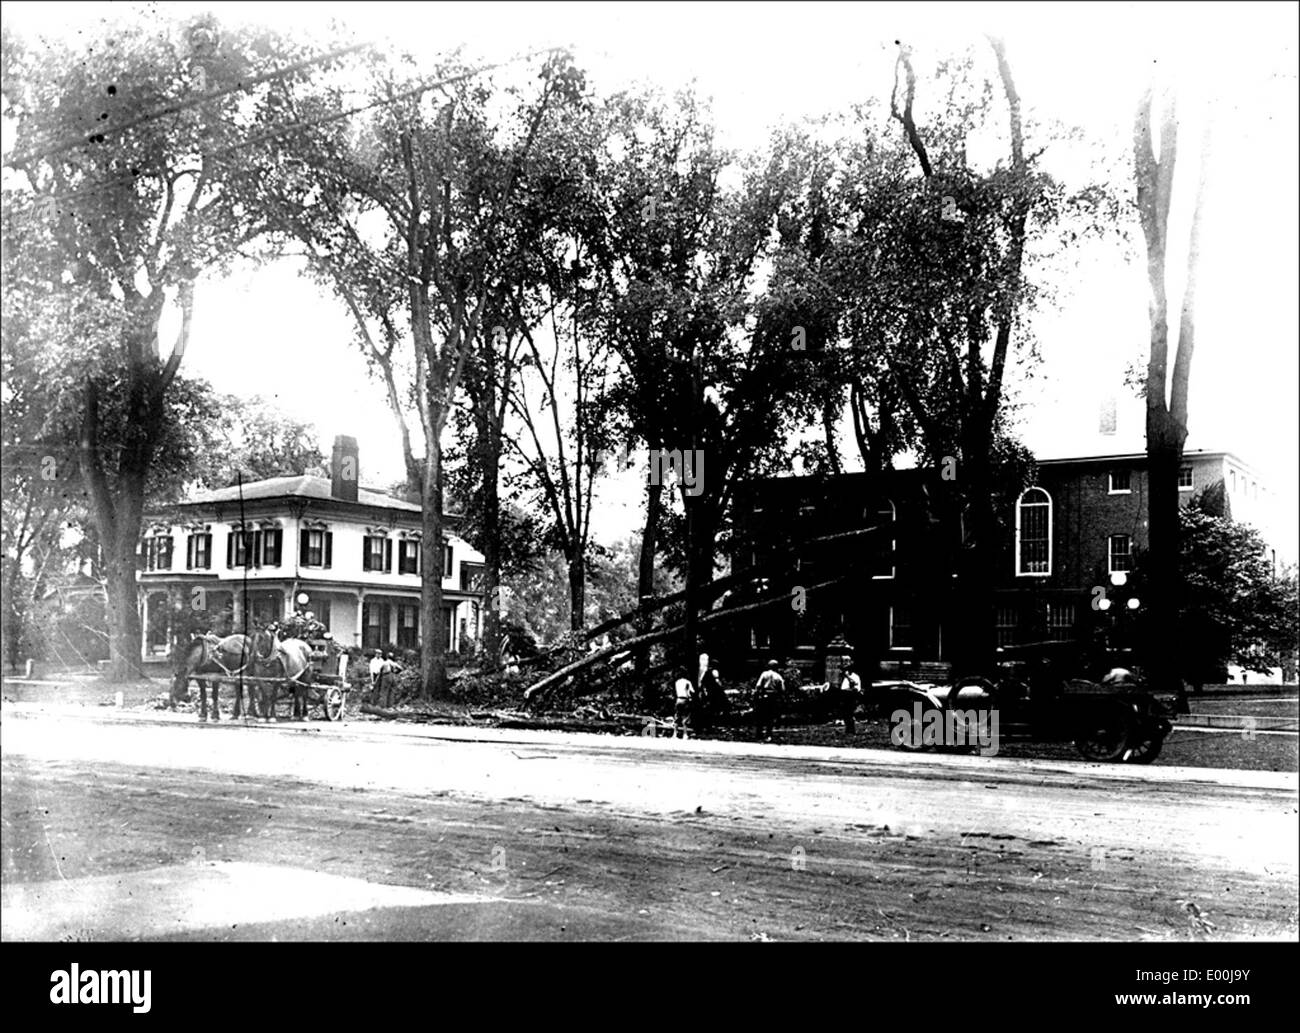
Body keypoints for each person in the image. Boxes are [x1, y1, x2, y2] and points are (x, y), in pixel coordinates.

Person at [753, 660, 784, 740]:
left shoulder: (764, 674)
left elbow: (758, 685)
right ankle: (768, 734)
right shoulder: (778, 676)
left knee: (760, 715)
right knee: (770, 717)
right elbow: (782, 689)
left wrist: (756, 695)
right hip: (773, 697)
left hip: (763, 695)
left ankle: (759, 734)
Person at [840, 662, 863, 735]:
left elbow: (856, 688)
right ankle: (848, 729)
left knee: (849, 713)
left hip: (851, 696)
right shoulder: (845, 678)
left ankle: (851, 730)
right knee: (845, 714)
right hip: (845, 695)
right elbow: (843, 688)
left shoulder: (855, 677)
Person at [673, 670, 695, 739]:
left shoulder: (677, 682)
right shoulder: (687, 682)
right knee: (685, 718)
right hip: (685, 699)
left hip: (678, 699)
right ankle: (685, 734)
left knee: (677, 717)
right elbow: (692, 691)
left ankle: (675, 734)